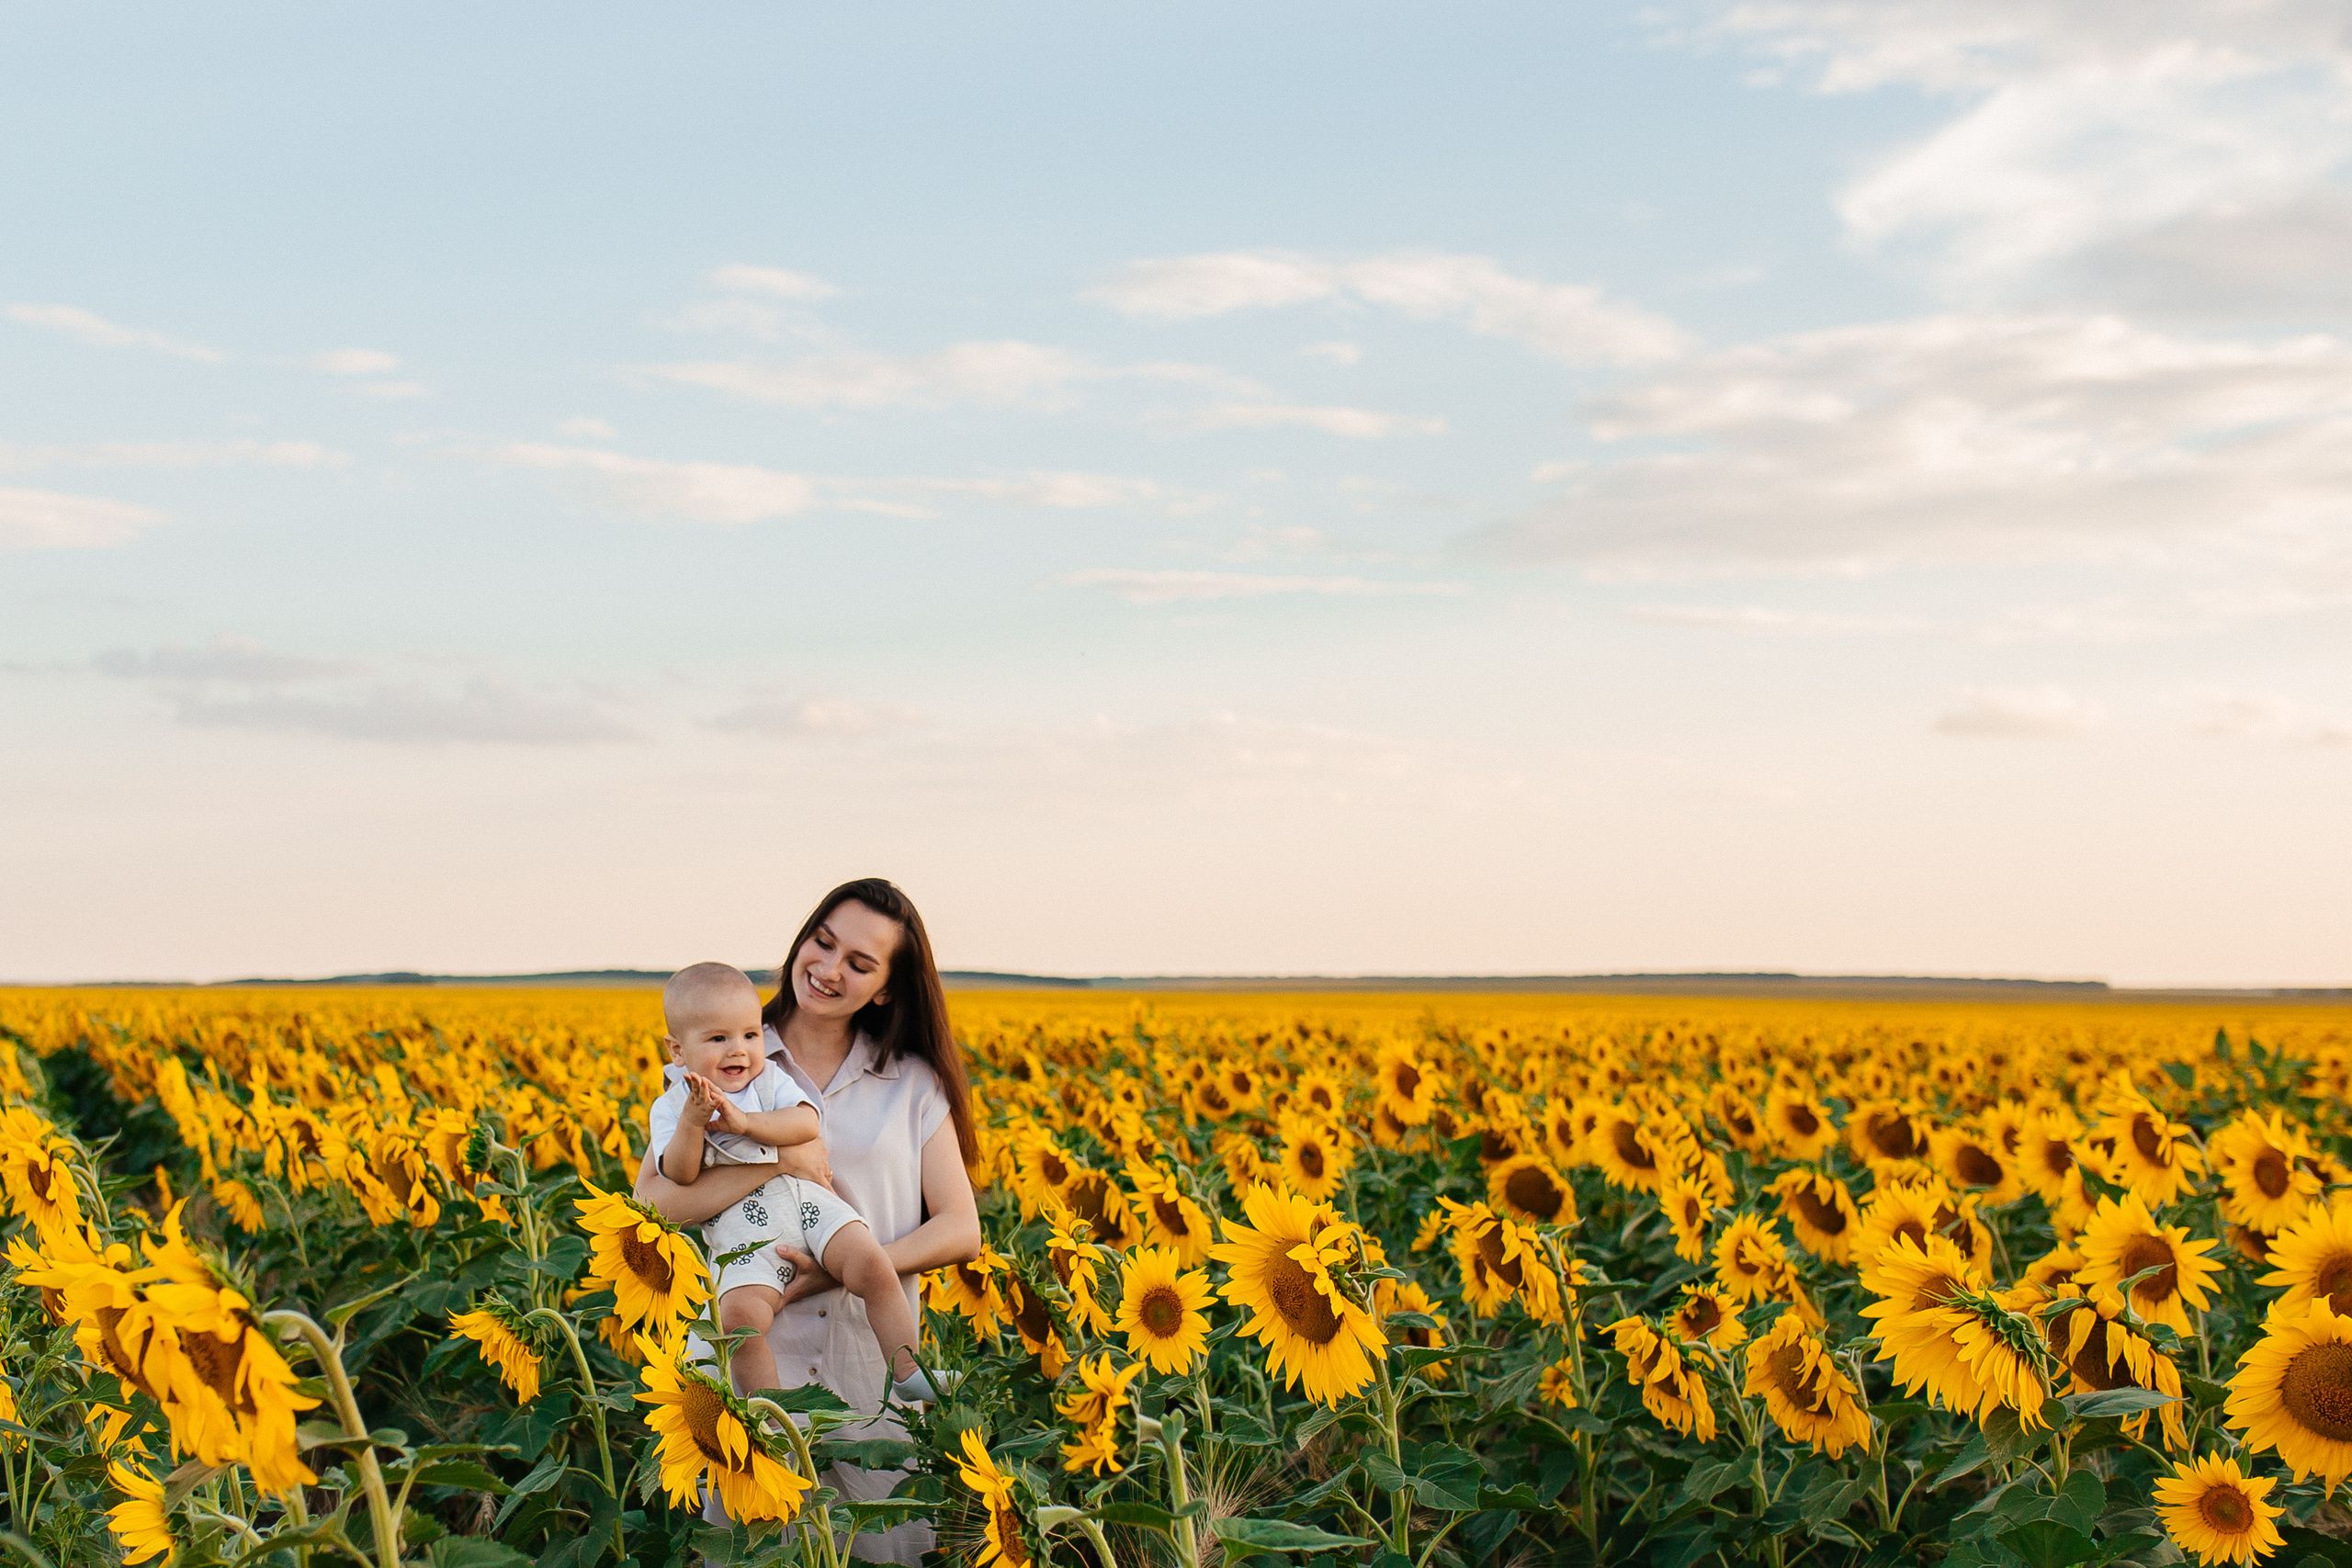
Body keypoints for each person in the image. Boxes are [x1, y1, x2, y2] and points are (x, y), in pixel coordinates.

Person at [635, 878, 982, 1565]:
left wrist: (842, 1266)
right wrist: (780, 1161)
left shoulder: (912, 1082)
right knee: (758, 1549)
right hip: (752, 1391)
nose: (828, 968)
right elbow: (654, 1203)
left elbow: (960, 1228)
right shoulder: (723, 1055)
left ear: (886, 986)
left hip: (869, 1387)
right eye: (822, 943)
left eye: (859, 962)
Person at [645, 961, 940, 1407]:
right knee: (739, 1324)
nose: (738, 1051)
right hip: (743, 1237)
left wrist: (747, 1123)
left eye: (750, 1035)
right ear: (677, 1051)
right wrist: (692, 1122)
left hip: (809, 1206)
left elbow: (806, 1122)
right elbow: (678, 1175)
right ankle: (776, 1421)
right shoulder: (672, 1107)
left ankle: (907, 1370)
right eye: (718, 1038)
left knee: (873, 1265)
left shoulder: (768, 1080)